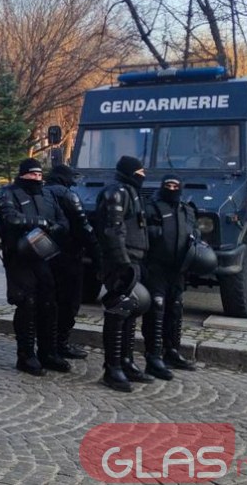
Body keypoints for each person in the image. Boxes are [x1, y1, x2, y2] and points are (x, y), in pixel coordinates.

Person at [0, 158, 70, 376]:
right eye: (32, 174)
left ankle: (48, 352)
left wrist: (55, 228)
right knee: (27, 304)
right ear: (23, 174)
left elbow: (63, 221)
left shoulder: (48, 194)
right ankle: (26, 355)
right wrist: (39, 223)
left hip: (45, 256)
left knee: (49, 304)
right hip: (20, 256)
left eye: (39, 174)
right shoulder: (7, 193)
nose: (37, 178)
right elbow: (10, 218)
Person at [95, 155, 153, 392]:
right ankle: (112, 368)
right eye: (140, 172)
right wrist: (123, 262)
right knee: (118, 312)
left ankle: (126, 361)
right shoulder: (117, 193)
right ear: (130, 173)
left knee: (130, 312)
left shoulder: (132, 193)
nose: (143, 176)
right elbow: (113, 229)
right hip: (120, 261)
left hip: (133, 259)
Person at [142, 175, 199, 380]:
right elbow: (142, 233)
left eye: (176, 185)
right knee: (156, 310)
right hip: (156, 267)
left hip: (178, 268)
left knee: (175, 308)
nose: (172, 188)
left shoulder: (186, 209)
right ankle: (153, 356)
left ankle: (172, 350)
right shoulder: (152, 207)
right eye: (168, 185)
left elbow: (194, 232)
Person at [44, 164, 103, 360]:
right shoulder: (68, 196)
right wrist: (98, 255)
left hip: (43, 254)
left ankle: (46, 344)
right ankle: (60, 344)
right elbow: (84, 228)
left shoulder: (41, 193)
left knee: (48, 302)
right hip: (69, 256)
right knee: (69, 303)